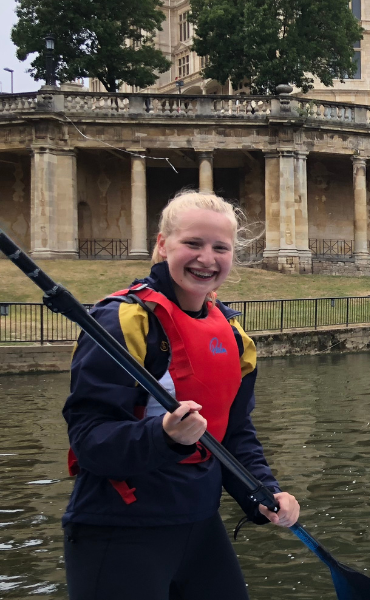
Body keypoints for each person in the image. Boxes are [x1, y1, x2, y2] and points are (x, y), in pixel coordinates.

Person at [61, 192, 301, 599]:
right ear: (162, 244)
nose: (206, 258)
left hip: (199, 523)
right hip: (120, 528)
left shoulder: (235, 337)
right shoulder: (121, 321)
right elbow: (89, 443)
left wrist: (264, 490)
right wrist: (164, 435)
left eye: (220, 247)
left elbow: (234, 433)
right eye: (193, 243)